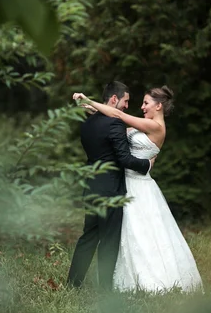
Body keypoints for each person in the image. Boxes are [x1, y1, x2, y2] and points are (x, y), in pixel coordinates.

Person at [72, 85, 203, 293]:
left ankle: (152, 280)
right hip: (125, 183)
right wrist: (95, 111)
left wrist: (87, 101)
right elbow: (113, 123)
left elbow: (116, 114)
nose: (141, 107)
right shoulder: (144, 125)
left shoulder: (156, 127)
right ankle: (122, 280)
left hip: (139, 185)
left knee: (145, 234)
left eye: (146, 103)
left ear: (159, 105)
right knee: (126, 235)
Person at [66, 81, 155, 290]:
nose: (126, 106)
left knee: (88, 236)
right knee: (108, 241)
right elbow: (124, 159)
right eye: (125, 101)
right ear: (114, 99)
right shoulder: (114, 124)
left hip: (92, 186)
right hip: (111, 190)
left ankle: (72, 285)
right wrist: (146, 164)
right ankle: (105, 290)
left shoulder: (87, 123)